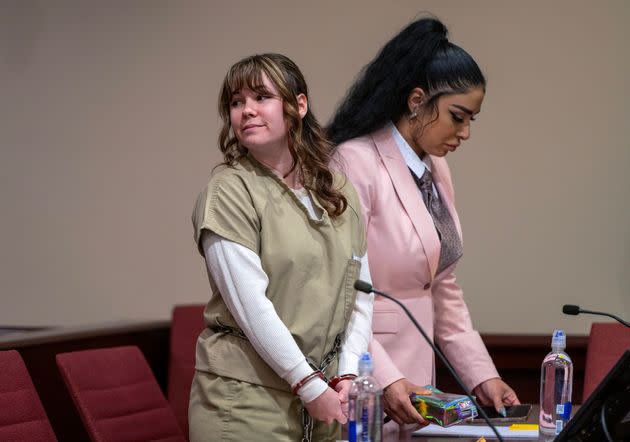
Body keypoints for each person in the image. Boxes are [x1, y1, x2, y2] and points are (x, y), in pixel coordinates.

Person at [328, 17, 521, 439]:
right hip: (365, 375)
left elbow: (442, 285)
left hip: (419, 378)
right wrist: (385, 377)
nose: (466, 132)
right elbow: (336, 291)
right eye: (458, 116)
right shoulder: (354, 161)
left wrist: (481, 375)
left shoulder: (437, 169)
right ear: (417, 100)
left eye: (472, 120)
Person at [188, 53, 373, 442]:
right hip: (244, 404)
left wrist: (349, 372)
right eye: (236, 103)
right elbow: (250, 306)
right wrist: (307, 384)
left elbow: (360, 294)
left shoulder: (338, 192)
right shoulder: (229, 192)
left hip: (324, 397)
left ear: (298, 105)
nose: (246, 111)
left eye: (260, 97)